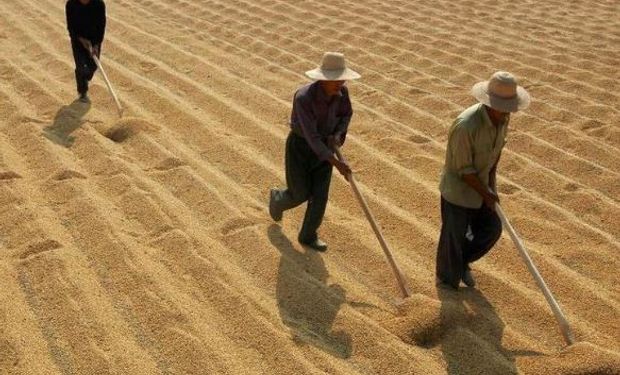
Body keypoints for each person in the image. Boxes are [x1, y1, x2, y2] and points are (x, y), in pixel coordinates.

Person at [436, 71, 531, 289]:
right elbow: (464, 170)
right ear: (491, 104)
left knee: (492, 229)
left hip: (482, 188)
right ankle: (447, 282)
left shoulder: (502, 120)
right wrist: (485, 193)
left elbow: (494, 157)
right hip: (458, 191)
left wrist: (492, 188)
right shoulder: (466, 126)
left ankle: (461, 262)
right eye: (505, 107)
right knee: (454, 235)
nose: (509, 112)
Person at [269, 52, 361, 251]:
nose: (340, 84)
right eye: (335, 80)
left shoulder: (342, 94)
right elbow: (311, 137)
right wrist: (336, 163)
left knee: (320, 196)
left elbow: (346, 115)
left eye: (342, 79)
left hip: (326, 148)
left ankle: (308, 235)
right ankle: (278, 199)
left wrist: (338, 134)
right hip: (301, 147)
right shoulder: (303, 98)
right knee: (300, 193)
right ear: (322, 79)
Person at [66, 0, 106, 103]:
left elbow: (101, 26)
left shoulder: (99, 4)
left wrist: (96, 44)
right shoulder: (71, 4)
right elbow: (71, 28)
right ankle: (82, 92)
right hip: (78, 40)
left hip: (94, 40)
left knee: (93, 66)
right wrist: (82, 40)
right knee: (81, 67)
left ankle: (84, 77)